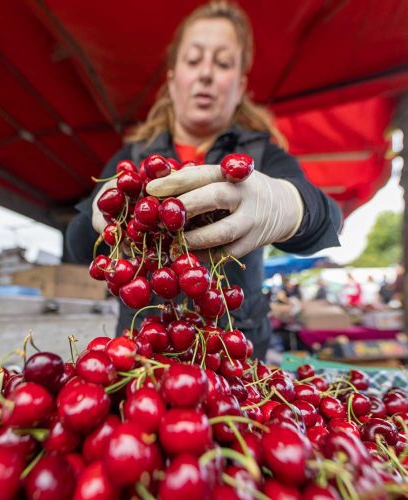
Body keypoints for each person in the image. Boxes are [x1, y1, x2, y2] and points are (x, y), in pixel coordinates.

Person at [66, 1, 342, 359]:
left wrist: (290, 204)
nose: (206, 74)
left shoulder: (262, 157)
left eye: (223, 63)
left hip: (231, 357)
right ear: (172, 79)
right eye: (193, 60)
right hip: (142, 354)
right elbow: (76, 247)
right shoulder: (132, 161)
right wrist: (100, 221)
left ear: (240, 86)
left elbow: (329, 219)